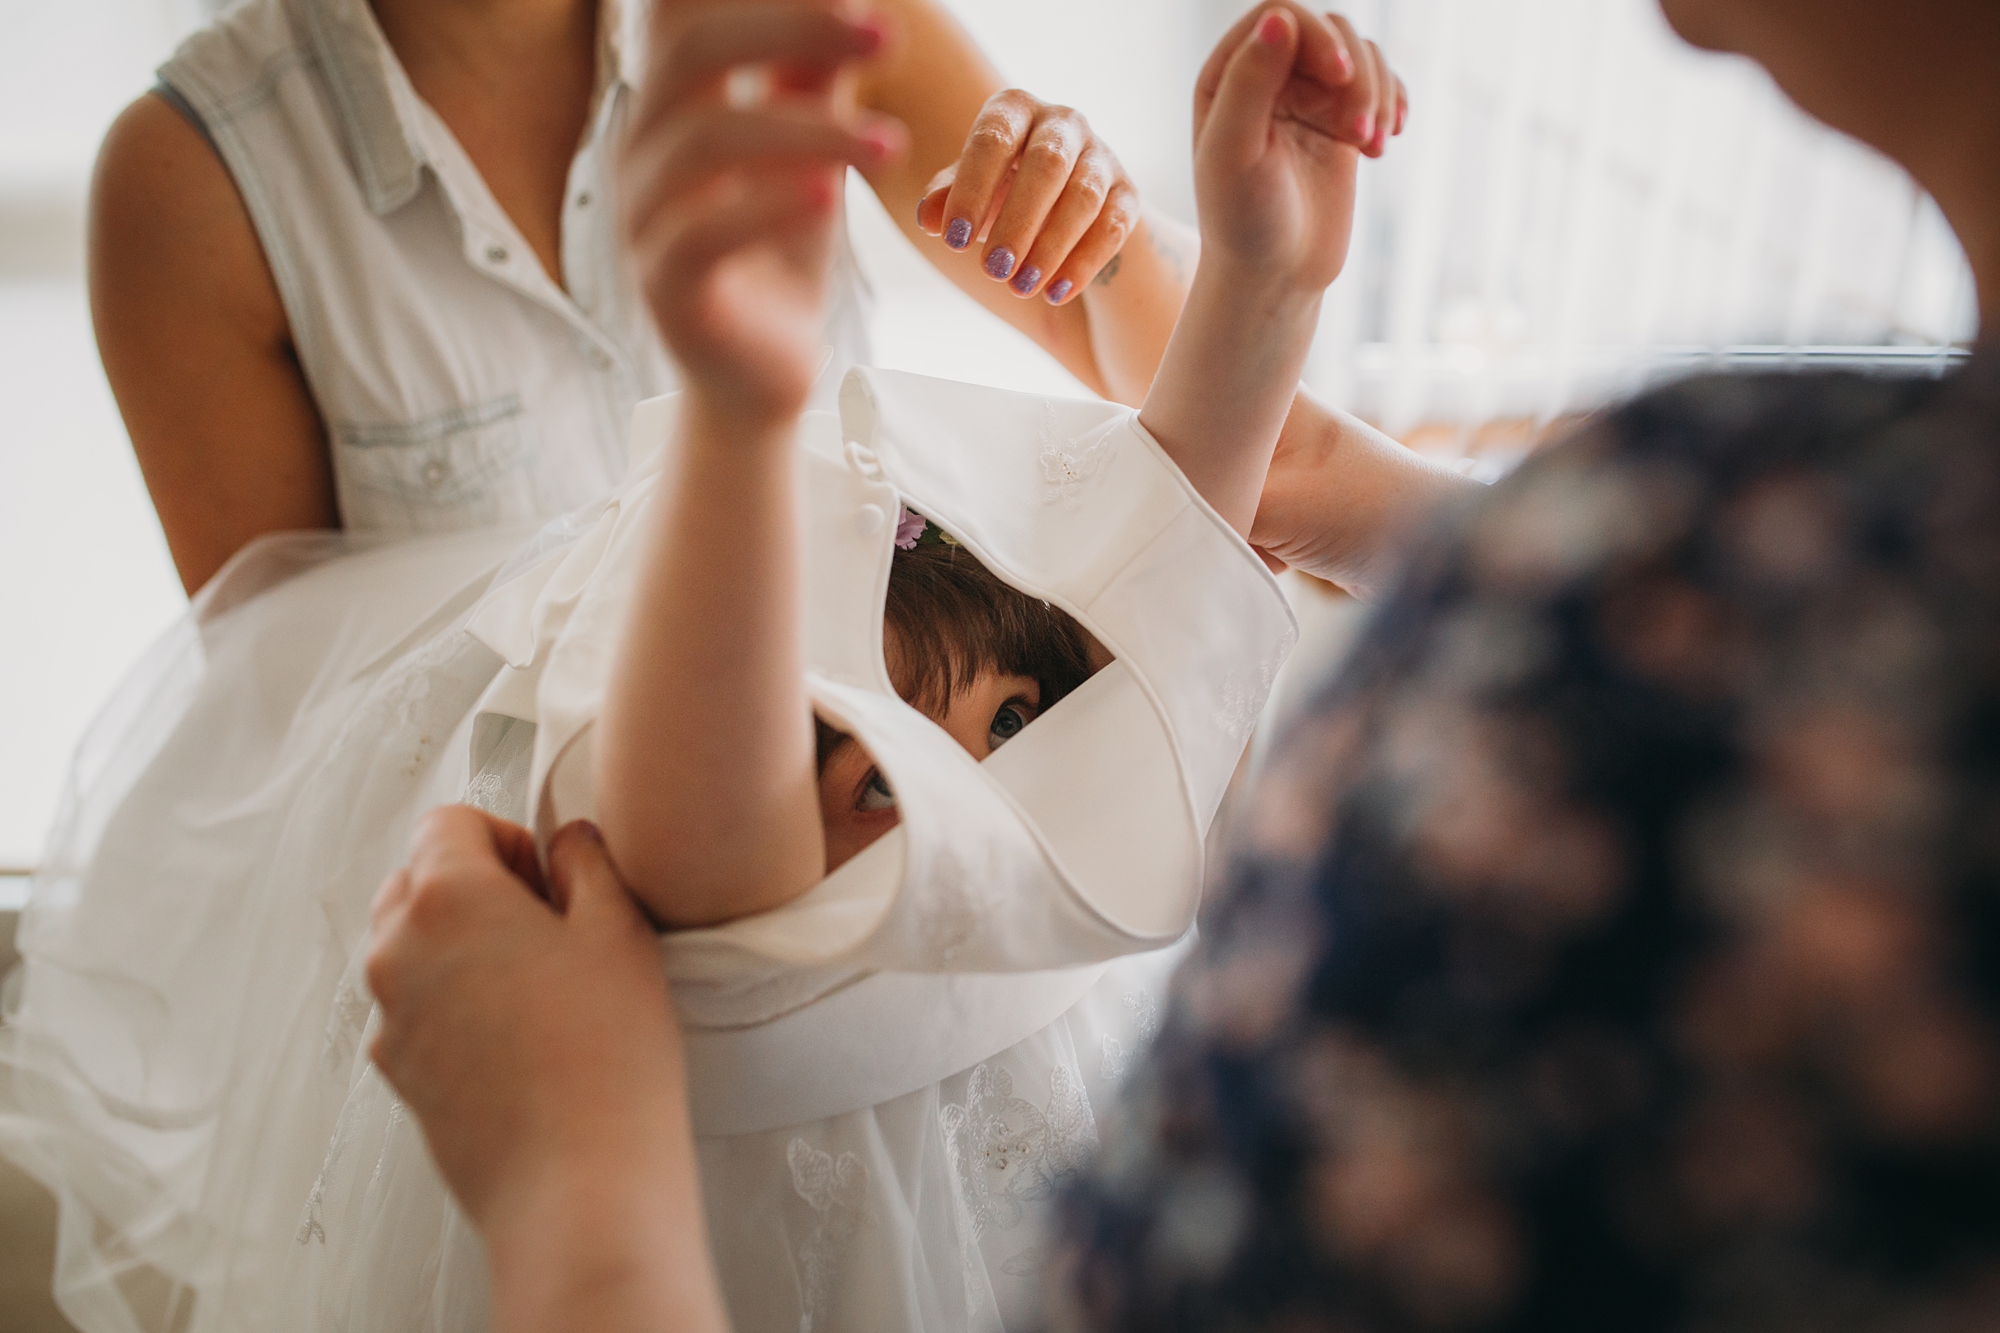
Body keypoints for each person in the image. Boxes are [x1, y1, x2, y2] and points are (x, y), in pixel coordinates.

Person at [365, 1, 2000, 1331]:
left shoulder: (1711, 562)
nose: (921, 799)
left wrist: (580, 1194)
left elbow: (1116, 685)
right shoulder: (1721, 539)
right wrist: (1255, 295)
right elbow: (726, 858)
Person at [0, 5, 1417, 1331]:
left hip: (889, 737)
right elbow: (303, 704)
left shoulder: (802, 22)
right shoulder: (195, 180)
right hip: (540, 869)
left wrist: (1178, 257)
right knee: (708, 874)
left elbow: (1163, 509)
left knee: (1043, 756)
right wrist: (737, 418)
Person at [92, 0, 1426, 596]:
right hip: (501, 969)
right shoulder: (191, 182)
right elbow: (291, 735)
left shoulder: (798, 12)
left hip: (854, 849)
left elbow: (1116, 326)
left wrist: (1102, 214)